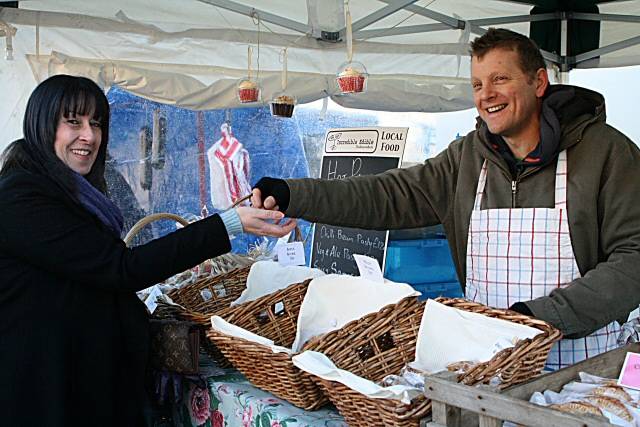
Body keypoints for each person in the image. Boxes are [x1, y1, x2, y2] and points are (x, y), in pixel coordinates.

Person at [252, 28, 640, 370]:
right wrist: (293, 194)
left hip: (582, 365)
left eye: (500, 79)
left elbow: (634, 260)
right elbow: (386, 195)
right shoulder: (469, 157)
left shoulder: (605, 153)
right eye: (476, 85)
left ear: (539, 82)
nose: (486, 95)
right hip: (488, 360)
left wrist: (538, 318)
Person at [0, 74, 296, 427]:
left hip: (77, 379)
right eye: (73, 122)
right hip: (43, 391)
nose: (90, 136)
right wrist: (229, 223)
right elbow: (122, 268)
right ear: (41, 125)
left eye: (96, 123)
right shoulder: (20, 197)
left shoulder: (71, 193)